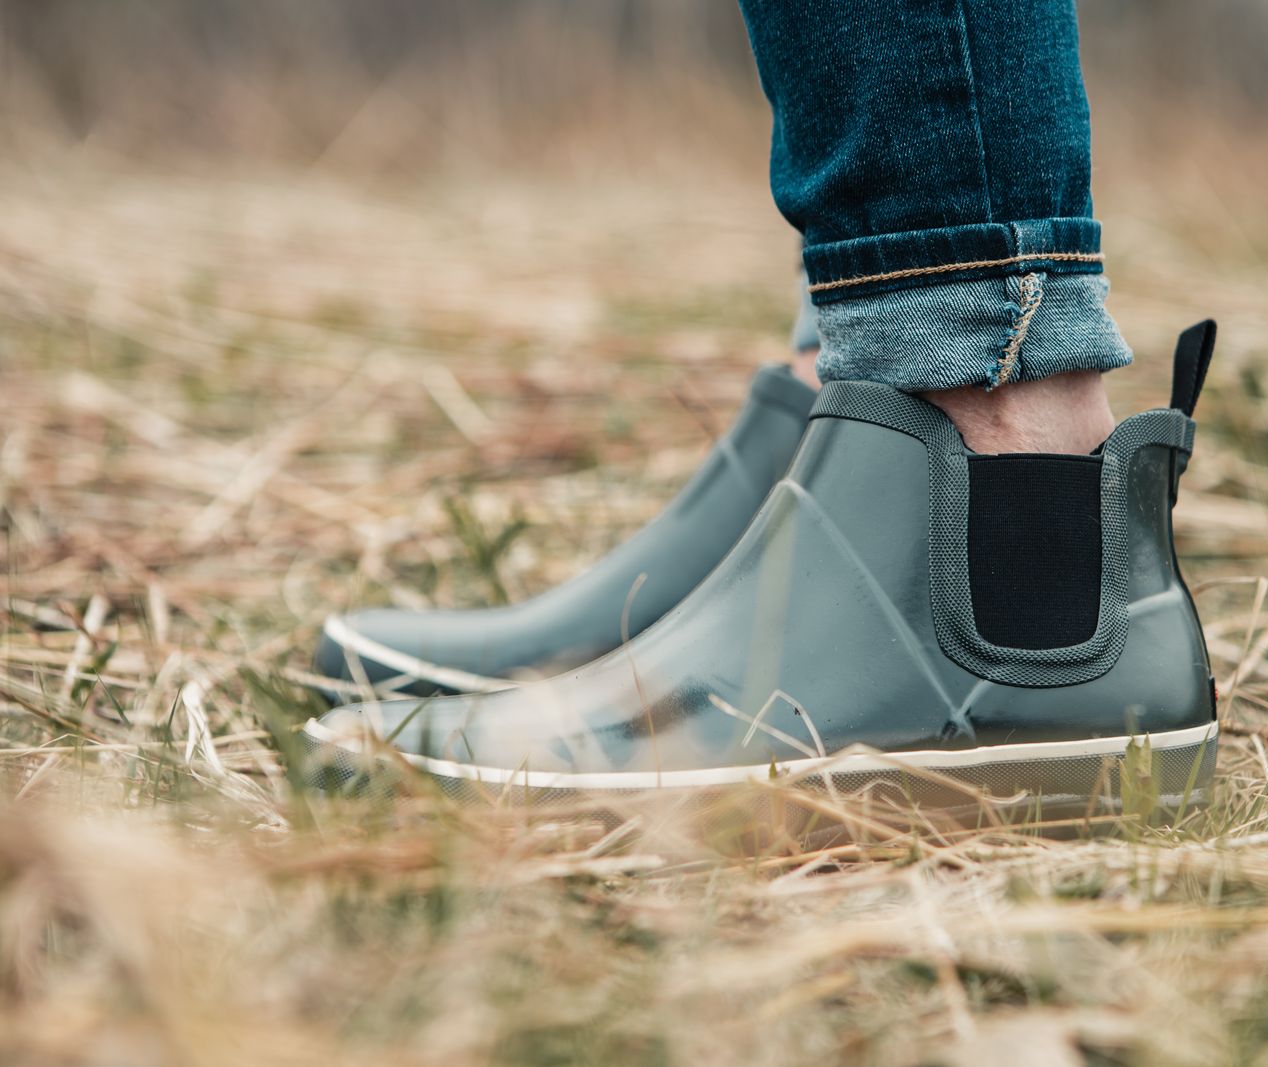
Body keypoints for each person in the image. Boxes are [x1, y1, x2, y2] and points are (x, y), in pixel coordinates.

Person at [305, 0, 1219, 823]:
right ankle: (868, 375)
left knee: (952, 337)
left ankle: (993, 398)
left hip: (988, 446)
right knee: (860, 327)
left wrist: (966, 329)